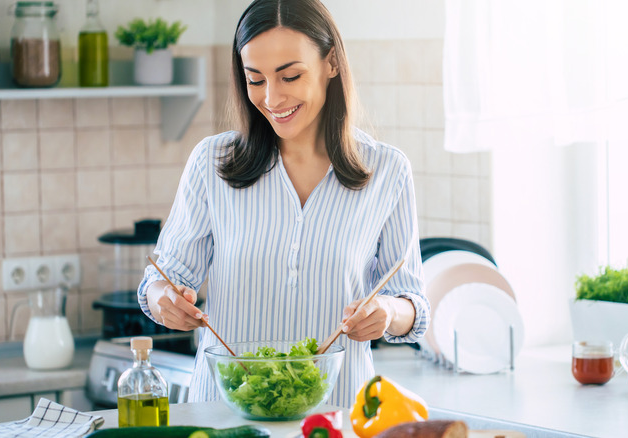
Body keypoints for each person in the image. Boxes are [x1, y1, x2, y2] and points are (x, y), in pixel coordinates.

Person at [137, 0, 430, 407]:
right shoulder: (212, 162)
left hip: (334, 418)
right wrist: (163, 300)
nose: (272, 98)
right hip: (226, 417)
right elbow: (162, 278)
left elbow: (413, 305)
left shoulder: (387, 170)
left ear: (332, 63)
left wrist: (387, 312)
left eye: (290, 76)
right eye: (255, 80)